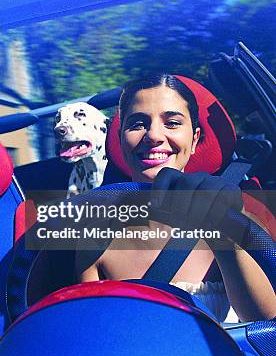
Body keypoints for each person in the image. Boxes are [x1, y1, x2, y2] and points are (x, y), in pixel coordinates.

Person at [75, 74, 276, 322]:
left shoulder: (243, 217)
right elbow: (92, 332)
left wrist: (225, 230)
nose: (154, 136)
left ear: (194, 140)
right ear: (119, 140)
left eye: (171, 123)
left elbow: (266, 327)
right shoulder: (93, 232)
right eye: (138, 124)